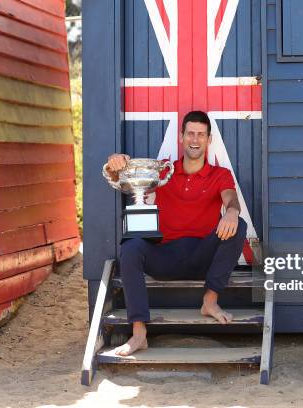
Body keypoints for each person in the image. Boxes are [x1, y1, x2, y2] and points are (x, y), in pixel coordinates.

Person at [104, 110, 248, 356]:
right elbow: (120, 177)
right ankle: (139, 334)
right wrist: (115, 164)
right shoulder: (163, 171)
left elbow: (230, 198)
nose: (195, 139)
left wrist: (232, 211)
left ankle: (209, 302)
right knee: (130, 247)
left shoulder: (219, 174)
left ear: (208, 139)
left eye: (201, 134)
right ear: (181, 137)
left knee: (239, 226)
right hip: (166, 257)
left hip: (203, 257)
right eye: (190, 133)